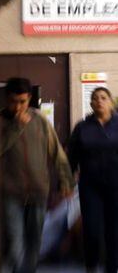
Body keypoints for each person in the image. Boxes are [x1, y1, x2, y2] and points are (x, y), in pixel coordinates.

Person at [0, 77, 74, 272]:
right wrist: (16, 126)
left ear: (29, 98)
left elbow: (56, 151)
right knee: (15, 244)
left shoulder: (40, 120)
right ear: (7, 99)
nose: (18, 107)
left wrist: (66, 180)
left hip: (38, 190)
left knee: (34, 242)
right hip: (10, 192)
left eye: (22, 102)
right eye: (14, 101)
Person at [68, 87, 118, 273]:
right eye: (95, 98)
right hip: (90, 186)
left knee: (113, 230)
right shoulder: (82, 127)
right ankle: (91, 266)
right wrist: (66, 181)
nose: (99, 101)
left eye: (104, 98)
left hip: (115, 185)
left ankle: (112, 268)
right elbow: (72, 156)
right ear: (90, 103)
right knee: (92, 229)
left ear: (110, 102)